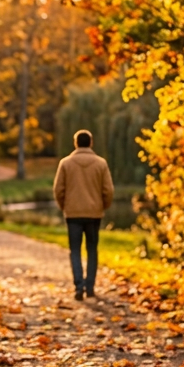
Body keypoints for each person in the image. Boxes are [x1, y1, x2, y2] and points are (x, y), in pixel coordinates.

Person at [53, 129, 114, 301]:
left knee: (75, 250)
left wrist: (65, 207)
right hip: (94, 214)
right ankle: (90, 287)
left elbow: (58, 190)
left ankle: (78, 286)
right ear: (91, 143)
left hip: (73, 214)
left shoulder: (65, 163)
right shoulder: (101, 164)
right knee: (92, 249)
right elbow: (108, 190)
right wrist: (103, 206)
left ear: (75, 143)